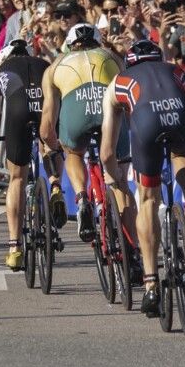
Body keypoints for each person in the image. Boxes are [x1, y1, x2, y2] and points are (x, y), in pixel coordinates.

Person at [101, 38, 185, 317]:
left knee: (148, 199)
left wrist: (117, 180)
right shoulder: (179, 72)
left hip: (147, 122)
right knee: (181, 152)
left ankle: (151, 283)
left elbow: (106, 153)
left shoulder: (118, 82)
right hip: (180, 117)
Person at [0, 38, 64, 270]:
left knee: (17, 177)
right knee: (48, 143)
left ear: (5, 56)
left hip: (18, 111)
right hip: (44, 106)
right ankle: (56, 185)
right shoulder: (44, 64)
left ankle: (15, 247)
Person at [40, 23, 125, 242]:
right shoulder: (112, 56)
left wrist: (54, 146)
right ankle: (129, 243)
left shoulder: (55, 65)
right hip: (109, 110)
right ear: (98, 41)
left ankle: (81, 199)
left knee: (74, 153)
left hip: (78, 110)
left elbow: (47, 125)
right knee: (119, 172)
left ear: (68, 45)